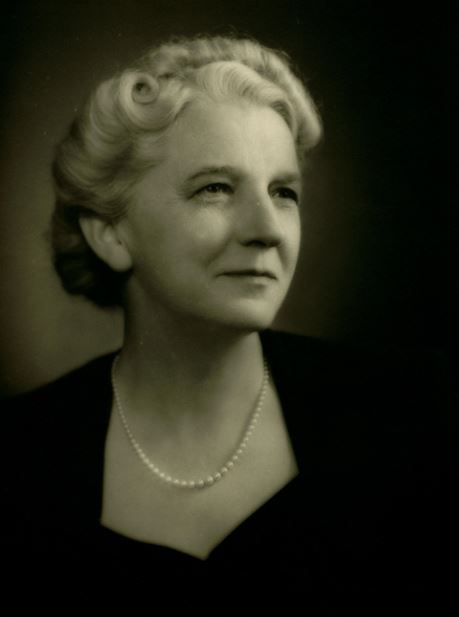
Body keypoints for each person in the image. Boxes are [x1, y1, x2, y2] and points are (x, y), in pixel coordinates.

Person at [2, 34, 457, 610]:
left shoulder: (413, 411)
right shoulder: (17, 460)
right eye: (215, 188)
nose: (266, 229)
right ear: (110, 233)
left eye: (283, 192)